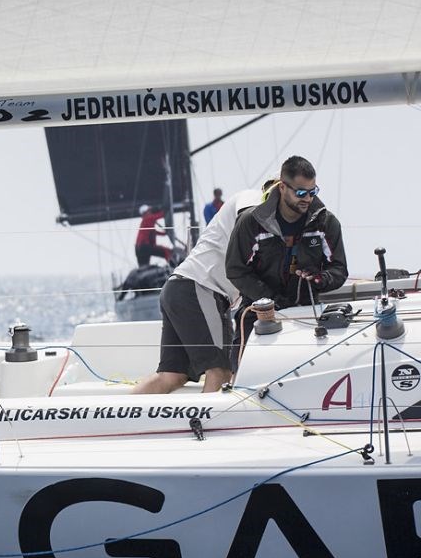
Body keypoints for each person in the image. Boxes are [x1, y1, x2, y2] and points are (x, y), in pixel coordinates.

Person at [132, 181, 272, 394]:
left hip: (180, 287)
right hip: (200, 289)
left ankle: (116, 421)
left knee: (172, 376)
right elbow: (247, 214)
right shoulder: (251, 197)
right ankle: (208, 426)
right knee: (221, 371)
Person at [226, 156, 347, 358]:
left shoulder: (326, 222)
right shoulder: (251, 222)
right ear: (282, 188)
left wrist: (320, 279)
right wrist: (271, 300)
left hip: (307, 315)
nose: (307, 198)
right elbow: (235, 269)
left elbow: (339, 268)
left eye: (312, 192)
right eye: (300, 192)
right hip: (258, 314)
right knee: (241, 377)